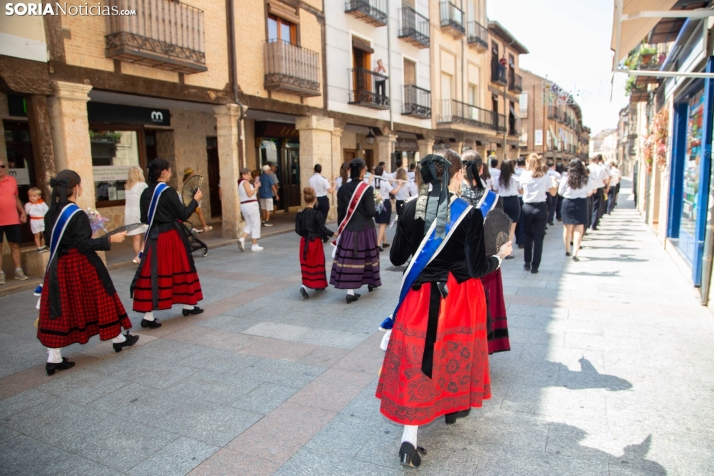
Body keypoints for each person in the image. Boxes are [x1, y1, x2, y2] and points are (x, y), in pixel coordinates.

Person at [376, 151, 512, 468]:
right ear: (453, 176)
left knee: (417, 362)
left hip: (419, 298)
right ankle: (449, 406)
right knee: (447, 358)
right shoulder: (469, 213)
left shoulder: (410, 209)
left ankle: (409, 438)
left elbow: (396, 259)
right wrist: (501, 256)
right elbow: (475, 268)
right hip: (458, 301)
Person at [38, 170, 138, 376]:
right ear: (75, 187)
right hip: (80, 265)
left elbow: (50, 242)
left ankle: (53, 357)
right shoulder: (76, 213)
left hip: (59, 265)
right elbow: (84, 245)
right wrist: (110, 240)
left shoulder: (51, 213)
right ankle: (118, 339)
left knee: (60, 306)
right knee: (101, 298)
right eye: (80, 184)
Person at [131, 158, 204, 329]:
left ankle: (149, 316)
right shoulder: (168, 192)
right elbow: (184, 214)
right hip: (171, 236)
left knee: (152, 273)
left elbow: (144, 218)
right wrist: (195, 200)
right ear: (163, 172)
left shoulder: (146, 192)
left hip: (154, 236)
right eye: (170, 170)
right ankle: (188, 306)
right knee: (181, 268)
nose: (171, 173)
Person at [461, 150, 512, 354]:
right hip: (487, 259)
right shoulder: (494, 198)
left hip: (460, 261)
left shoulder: (455, 197)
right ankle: (484, 347)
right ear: (481, 169)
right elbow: (498, 232)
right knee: (486, 301)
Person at [330, 158, 381, 303]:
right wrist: (378, 206)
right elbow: (370, 212)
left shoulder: (343, 189)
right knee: (368, 257)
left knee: (351, 259)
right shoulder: (367, 188)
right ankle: (371, 282)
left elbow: (341, 212)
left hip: (349, 228)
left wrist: (341, 230)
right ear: (363, 170)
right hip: (365, 228)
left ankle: (350, 291)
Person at [520, 154, 557, 274]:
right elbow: (553, 192)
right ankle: (535, 266)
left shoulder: (524, 175)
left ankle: (527, 262)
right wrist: (554, 183)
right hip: (540, 207)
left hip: (527, 207)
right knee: (538, 237)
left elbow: (521, 190)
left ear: (528, 162)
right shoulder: (545, 176)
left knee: (527, 235)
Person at [296, 187, 334, 299]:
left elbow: (298, 230)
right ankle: (317, 284)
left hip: (304, 241)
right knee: (318, 262)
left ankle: (305, 285)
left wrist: (305, 233)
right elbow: (323, 229)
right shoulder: (317, 214)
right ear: (314, 199)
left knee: (307, 264)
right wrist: (333, 234)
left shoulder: (300, 214)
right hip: (315, 241)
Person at [0, 158, 29, 284]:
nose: (1, 169)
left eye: (2, 166)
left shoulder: (11, 180)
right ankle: (0, 273)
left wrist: (22, 211)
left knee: (15, 245)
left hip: (12, 218)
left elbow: (15, 197)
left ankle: (18, 270)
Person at [559, 159, 591, 261]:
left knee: (567, 228)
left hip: (567, 202)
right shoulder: (586, 179)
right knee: (579, 228)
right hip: (581, 203)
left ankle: (567, 250)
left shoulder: (565, 178)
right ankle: (575, 253)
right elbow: (589, 192)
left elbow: (560, 192)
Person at [124, 166, 149, 264]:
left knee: (135, 238)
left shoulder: (127, 186)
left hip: (129, 213)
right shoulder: (142, 185)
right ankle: (140, 255)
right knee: (148, 233)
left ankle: (140, 259)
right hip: (139, 213)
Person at [497, 159, 520, 258]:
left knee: (502, 228)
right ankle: (508, 252)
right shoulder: (516, 178)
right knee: (512, 229)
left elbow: (494, 189)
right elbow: (521, 190)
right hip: (513, 201)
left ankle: (501, 250)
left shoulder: (497, 178)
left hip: (501, 201)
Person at [237, 168, 263, 252]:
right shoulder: (245, 182)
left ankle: (242, 239)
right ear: (243, 174)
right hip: (251, 205)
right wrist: (256, 187)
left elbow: (251, 193)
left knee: (249, 224)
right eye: (248, 174)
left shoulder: (240, 183)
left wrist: (255, 187)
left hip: (244, 205)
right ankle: (254, 245)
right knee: (255, 224)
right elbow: (249, 194)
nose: (249, 176)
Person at [182, 167, 212, 233]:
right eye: (192, 173)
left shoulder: (185, 181)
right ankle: (204, 227)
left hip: (190, 198)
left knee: (197, 212)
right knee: (196, 212)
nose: (193, 174)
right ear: (190, 174)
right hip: (192, 198)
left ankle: (204, 226)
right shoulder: (190, 181)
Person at [587, 155, 610, 230]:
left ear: (590, 160)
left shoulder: (587, 168)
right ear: (597, 160)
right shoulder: (601, 169)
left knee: (588, 206)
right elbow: (606, 179)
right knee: (596, 206)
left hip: (589, 188)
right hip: (599, 188)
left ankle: (587, 224)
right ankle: (593, 225)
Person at [25, 187, 49, 252]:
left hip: (42, 220)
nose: (32, 197)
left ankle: (43, 245)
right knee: (37, 234)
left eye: (34, 196)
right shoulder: (28, 205)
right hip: (34, 221)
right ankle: (38, 247)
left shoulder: (42, 204)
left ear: (39, 196)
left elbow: (47, 211)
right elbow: (26, 212)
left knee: (43, 234)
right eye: (30, 196)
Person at [514, 156, 527, 248]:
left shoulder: (513, 172)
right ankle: (521, 241)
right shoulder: (526, 173)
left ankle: (516, 237)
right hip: (522, 198)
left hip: (514, 198)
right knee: (522, 220)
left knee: (514, 221)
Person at [546, 160, 562, 226]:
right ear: (553, 166)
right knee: (553, 205)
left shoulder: (545, 173)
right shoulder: (557, 174)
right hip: (554, 190)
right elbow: (560, 182)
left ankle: (546, 219)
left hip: (546, 191)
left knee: (546, 206)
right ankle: (550, 219)